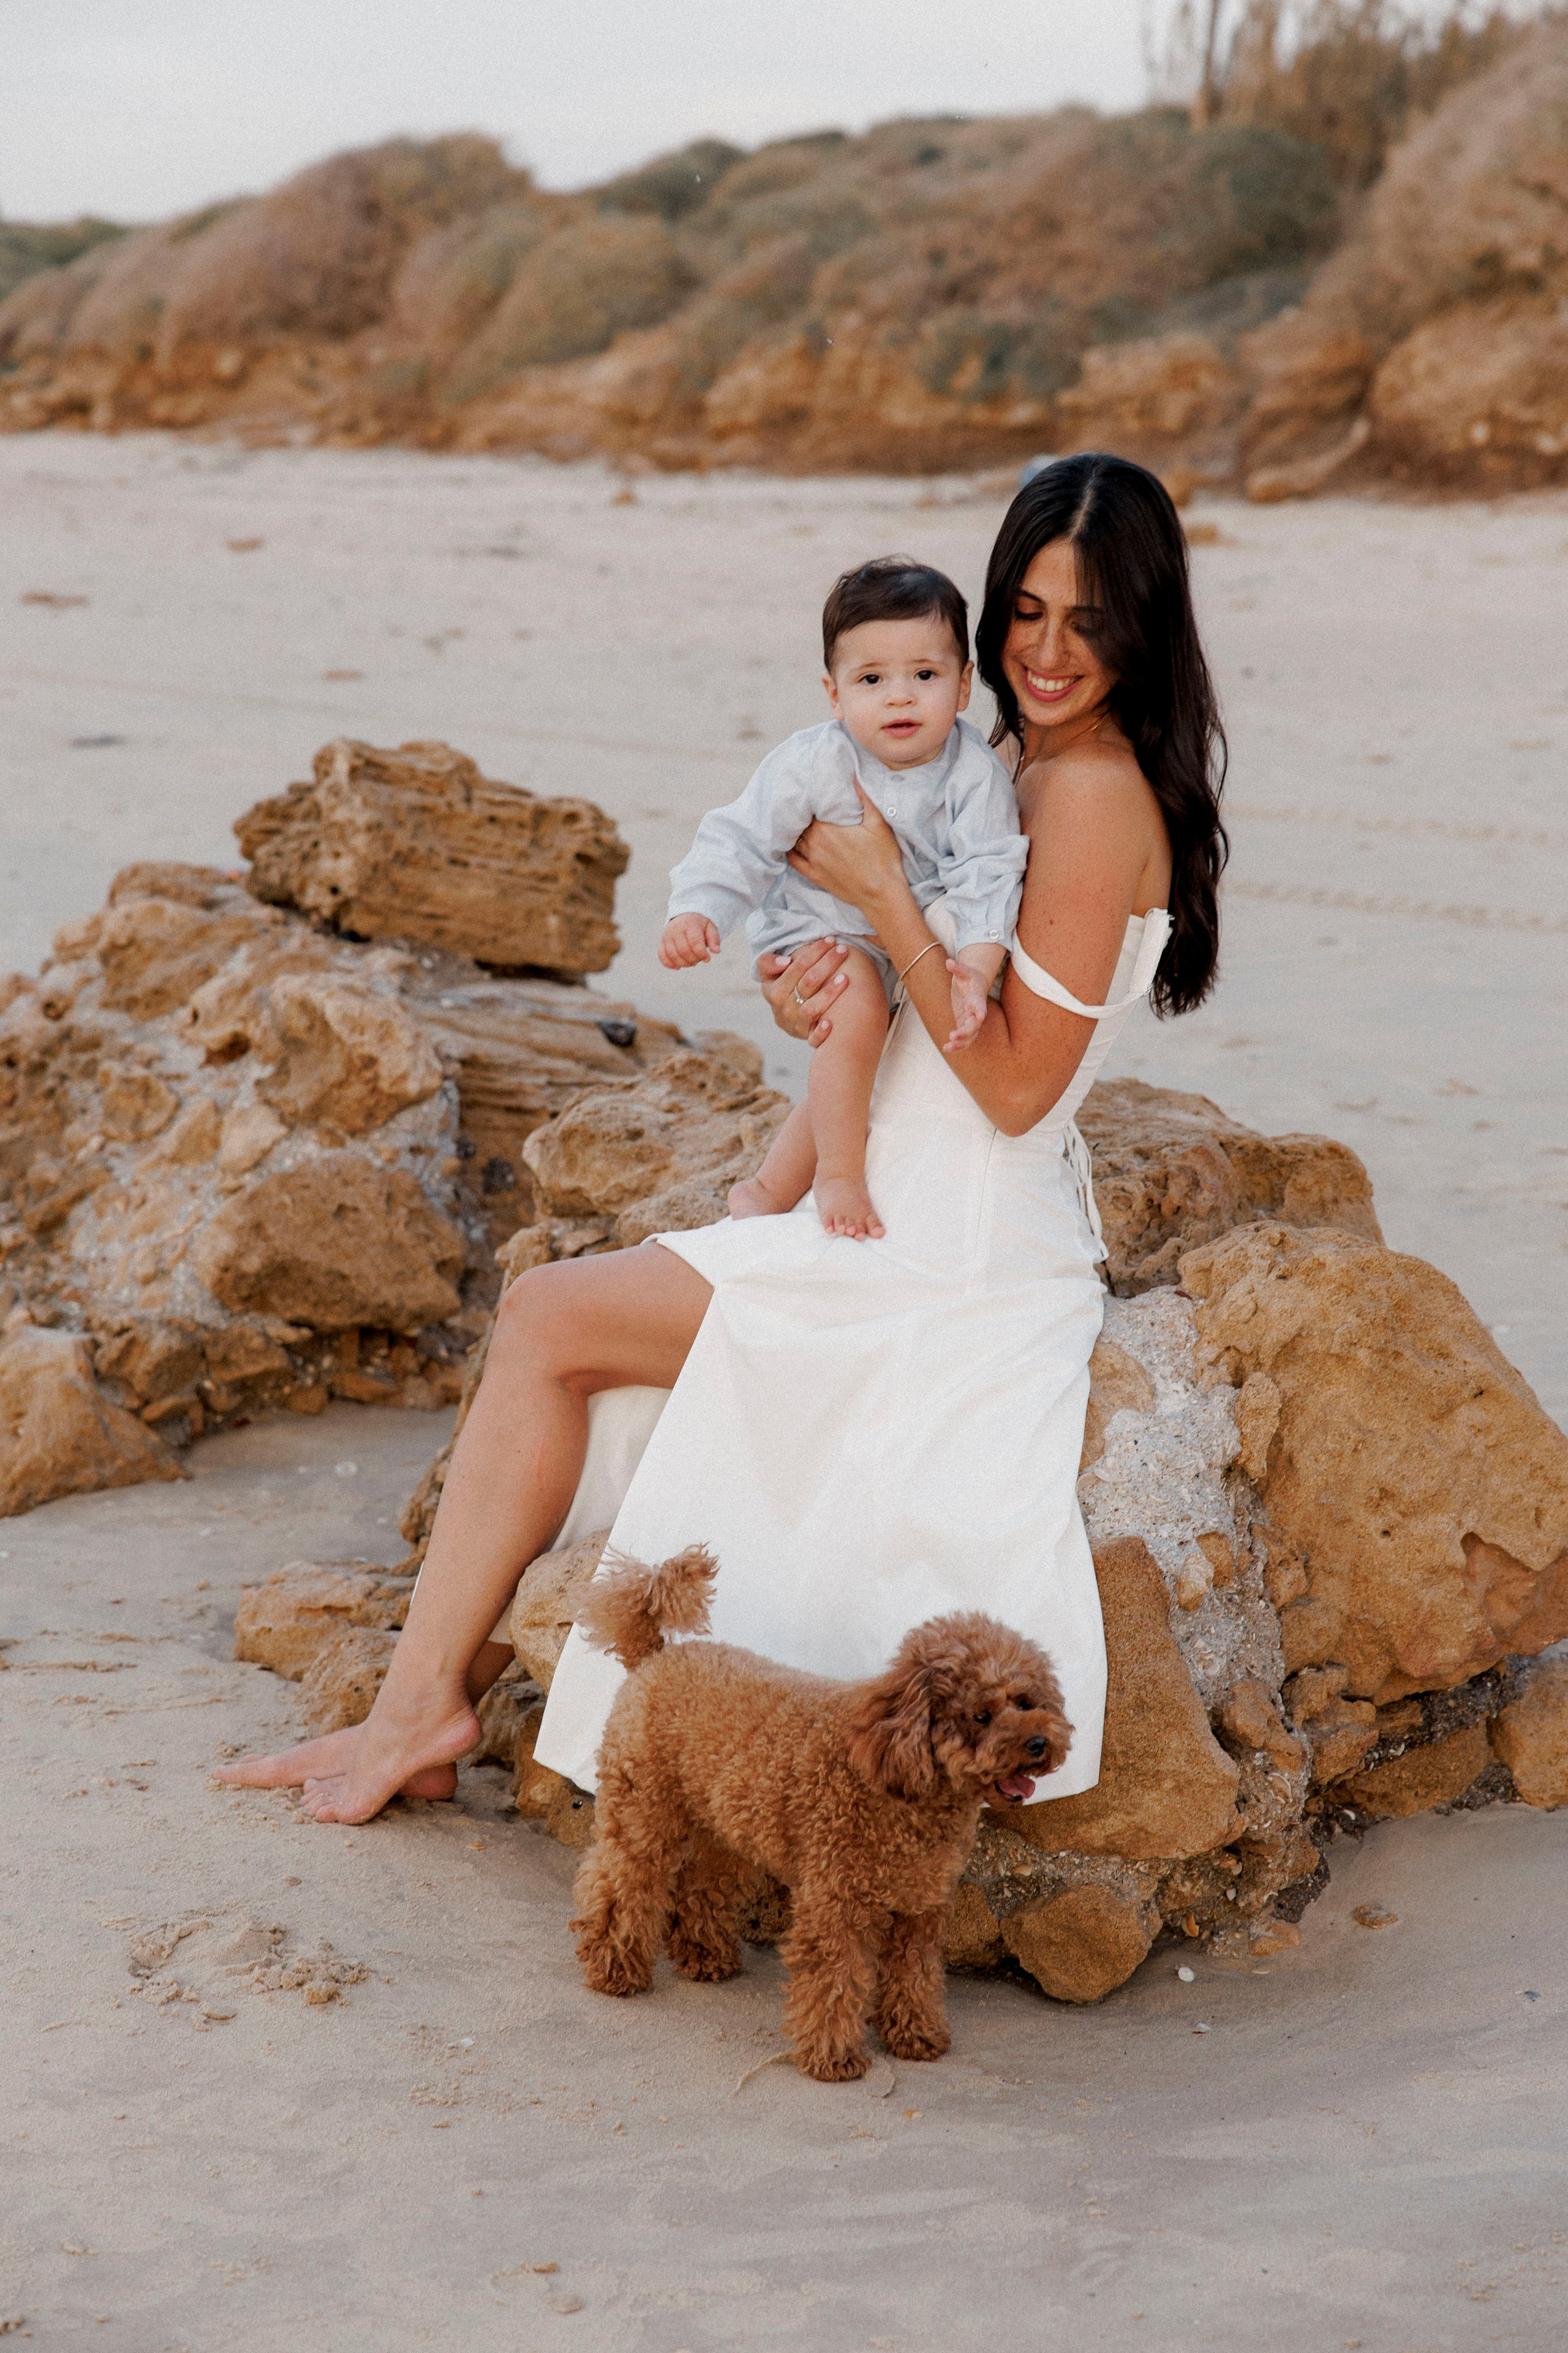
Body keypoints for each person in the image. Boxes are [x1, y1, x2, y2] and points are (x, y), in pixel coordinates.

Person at [217, 451, 1226, 1827]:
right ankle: (422, 1705)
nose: (1047, 653)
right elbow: (905, 992)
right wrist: (817, 976)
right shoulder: (1001, 761)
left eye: (1089, 621)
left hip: (952, 1250)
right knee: (572, 1344)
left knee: (548, 1316)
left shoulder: (1095, 792)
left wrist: (884, 895)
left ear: (1144, 625)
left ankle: (416, 1711)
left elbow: (1014, 1092)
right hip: (876, 1194)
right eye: (1027, 613)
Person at [660, 555, 1027, 1239]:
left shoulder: (974, 776)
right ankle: (838, 1175)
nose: (899, 697)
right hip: (818, 926)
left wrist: (977, 970)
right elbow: (743, 836)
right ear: (834, 695)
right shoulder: (814, 761)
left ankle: (765, 1189)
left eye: (925, 675)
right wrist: (699, 909)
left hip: (905, 942)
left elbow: (991, 872)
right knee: (856, 1019)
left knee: (856, 1057)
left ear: (963, 685)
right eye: (871, 679)